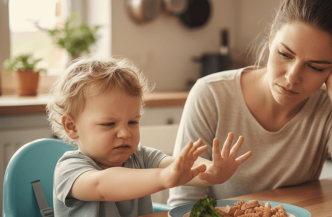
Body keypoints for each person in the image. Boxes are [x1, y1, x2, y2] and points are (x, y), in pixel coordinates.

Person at [168, 0, 332, 207]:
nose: (292, 77)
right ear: (271, 35)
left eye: (316, 67)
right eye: (285, 54)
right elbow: (184, 203)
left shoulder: (329, 108)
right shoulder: (211, 94)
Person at [46, 57, 252, 217]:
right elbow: (102, 186)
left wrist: (213, 172)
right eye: (109, 124)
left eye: (133, 122)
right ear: (72, 126)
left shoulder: (139, 156)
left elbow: (176, 165)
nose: (125, 133)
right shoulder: (69, 170)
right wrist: (164, 178)